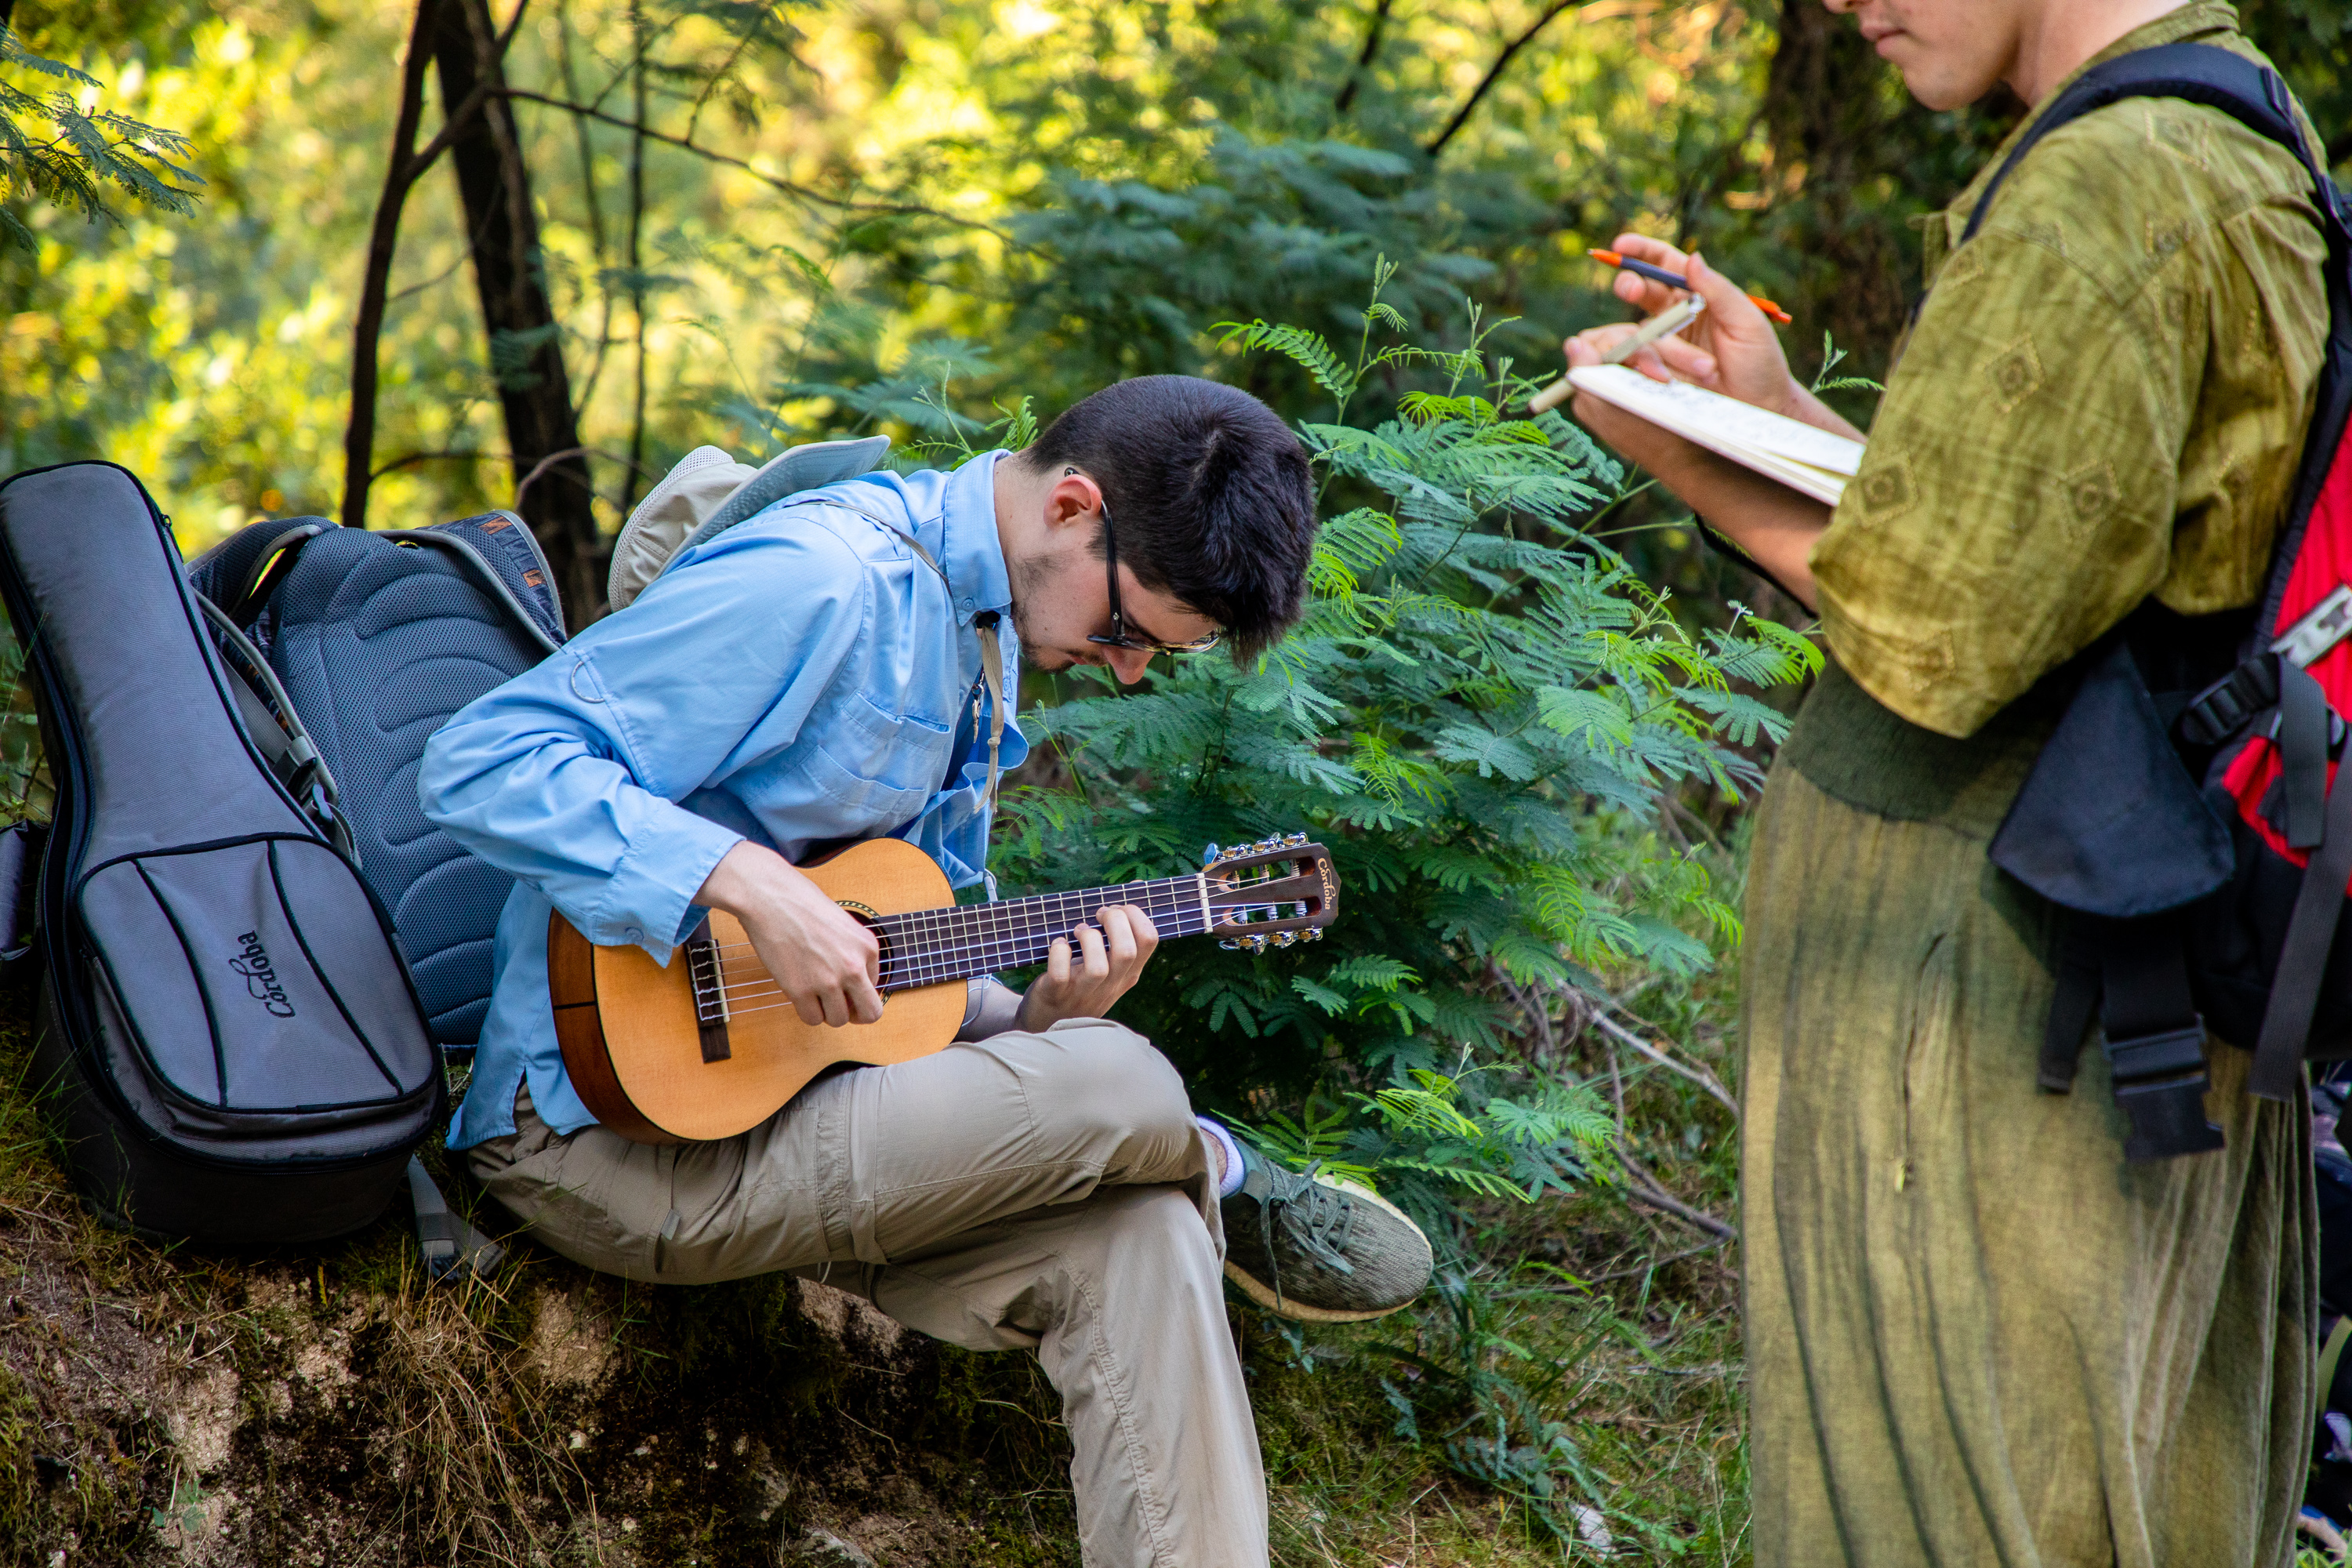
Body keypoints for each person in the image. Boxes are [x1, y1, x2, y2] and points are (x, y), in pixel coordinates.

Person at [417, 374, 1435, 1567]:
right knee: (1120, 1082)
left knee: (1147, 1231)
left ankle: (1190, 1180)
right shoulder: (825, 580)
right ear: (1070, 508)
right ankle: (1226, 1161)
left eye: (1156, 653)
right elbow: (484, 759)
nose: (1123, 672)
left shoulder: (979, 642)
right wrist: (746, 885)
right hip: (609, 1135)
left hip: (807, 1110)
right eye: (1126, 631)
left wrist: (1037, 1018)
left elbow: (887, 968)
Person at [1559, 1, 2328, 1561]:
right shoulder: (2242, 133)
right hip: (2135, 947)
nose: (1846, 7)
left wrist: (1662, 438)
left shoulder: (2103, 195)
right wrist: (1776, 417)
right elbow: (2071, 589)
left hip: (1990, 1011)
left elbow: (1937, 631)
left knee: (1948, 1508)